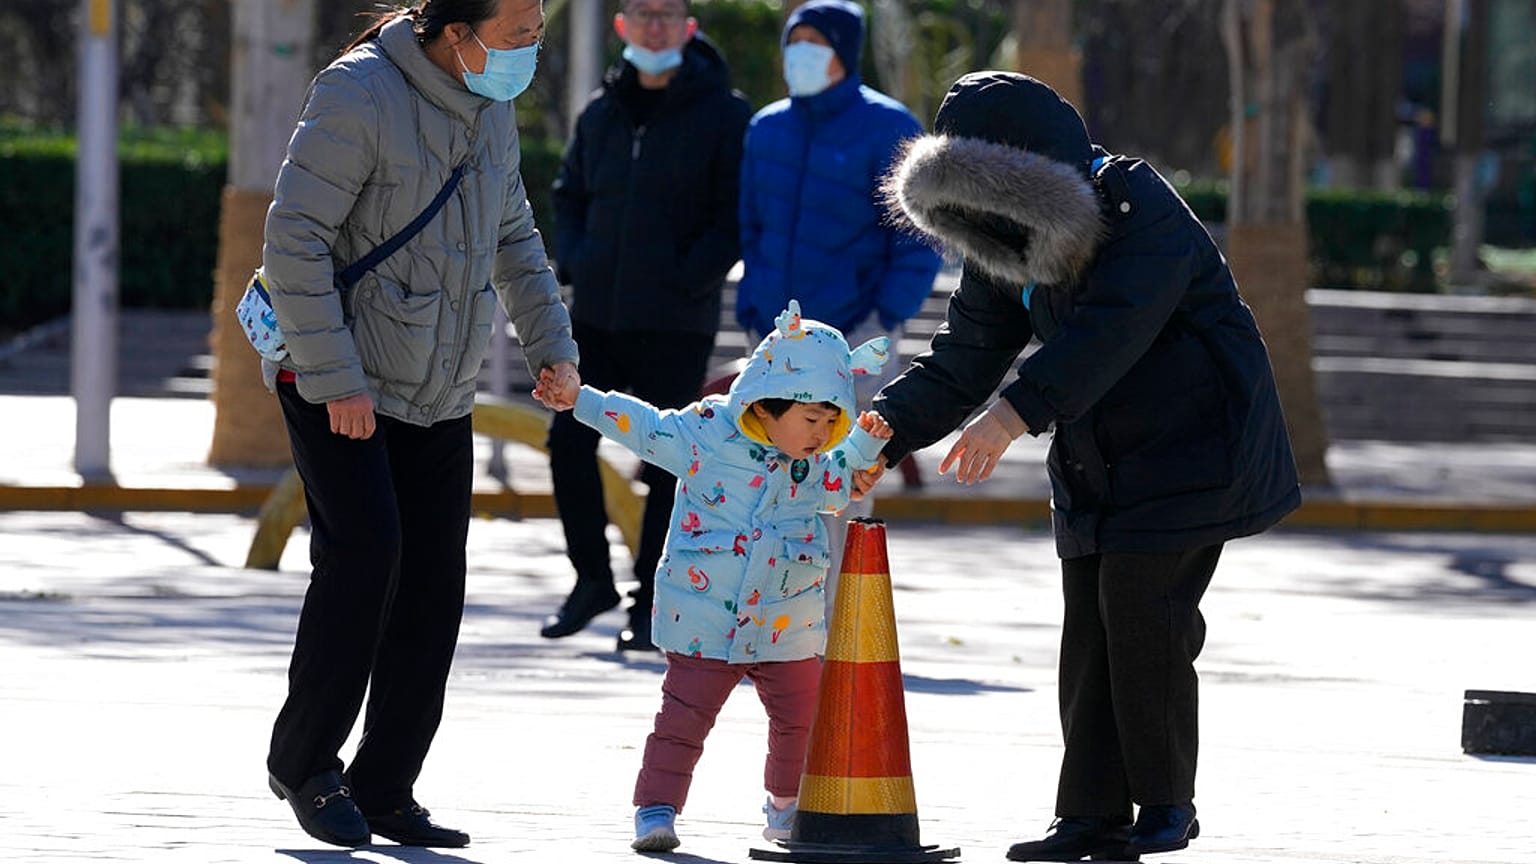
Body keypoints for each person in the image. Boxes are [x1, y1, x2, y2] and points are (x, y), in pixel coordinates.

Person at [864, 72, 1301, 862]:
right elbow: (965, 354)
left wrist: (1014, 412)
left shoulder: (1139, 209)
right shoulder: (1002, 241)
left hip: (1197, 445)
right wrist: (881, 435)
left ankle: (1166, 803)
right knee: (1089, 626)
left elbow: (1112, 328)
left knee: (1144, 615)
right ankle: (1089, 815)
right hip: (1101, 454)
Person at [258, 0, 581, 849]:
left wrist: (553, 345)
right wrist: (337, 381)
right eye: (519, 34)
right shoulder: (358, 94)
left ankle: (387, 786)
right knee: (366, 559)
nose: (531, 51)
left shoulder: (491, 105)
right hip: (338, 376)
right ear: (454, 33)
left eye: (538, 33)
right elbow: (294, 243)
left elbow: (514, 234)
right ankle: (305, 764)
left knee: (434, 586)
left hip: (436, 382)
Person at [547, 300, 892, 852]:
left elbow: (841, 482)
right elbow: (646, 427)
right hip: (705, 617)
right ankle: (656, 808)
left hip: (788, 619)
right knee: (683, 720)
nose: (822, 433)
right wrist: (580, 401)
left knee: (802, 720)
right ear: (766, 404)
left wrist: (865, 447)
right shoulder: (706, 434)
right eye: (811, 421)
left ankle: (788, 808)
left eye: (833, 422)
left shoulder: (814, 464)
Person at [543, 0, 753, 652]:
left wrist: (687, 277)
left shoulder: (724, 114)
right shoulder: (601, 111)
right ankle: (591, 582)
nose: (654, 26)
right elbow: (567, 195)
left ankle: (650, 606)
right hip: (597, 318)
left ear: (689, 27)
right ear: (622, 25)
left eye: (668, 14)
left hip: (674, 323)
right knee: (567, 442)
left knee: (666, 465)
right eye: (642, 13)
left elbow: (733, 214)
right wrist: (577, 260)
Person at [736, 0, 942, 590]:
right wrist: (754, 312)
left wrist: (881, 320)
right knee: (765, 480)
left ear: (843, 54)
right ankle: (769, 623)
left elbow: (916, 239)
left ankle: (830, 633)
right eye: (792, 41)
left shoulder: (891, 127)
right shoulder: (765, 127)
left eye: (814, 43)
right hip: (774, 341)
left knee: (843, 483)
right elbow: (751, 228)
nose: (798, 54)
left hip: (855, 339)